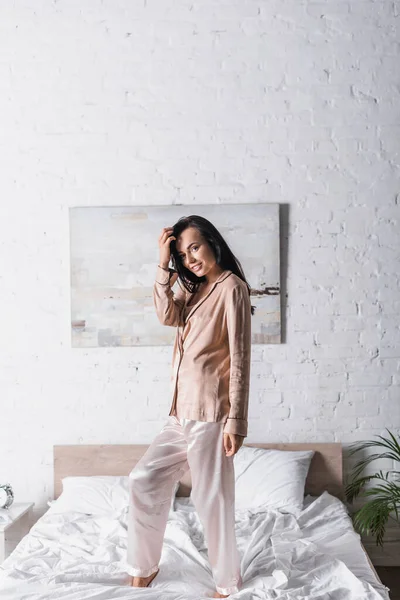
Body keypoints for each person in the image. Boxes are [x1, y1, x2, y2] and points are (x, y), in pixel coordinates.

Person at [126, 215, 254, 597]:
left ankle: (227, 582)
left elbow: (241, 357)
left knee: (211, 498)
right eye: (184, 253)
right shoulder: (192, 289)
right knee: (143, 479)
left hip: (212, 412)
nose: (191, 258)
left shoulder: (232, 288)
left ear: (213, 242)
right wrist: (164, 265)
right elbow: (167, 316)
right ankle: (144, 565)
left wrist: (237, 420)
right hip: (180, 411)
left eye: (194, 247)